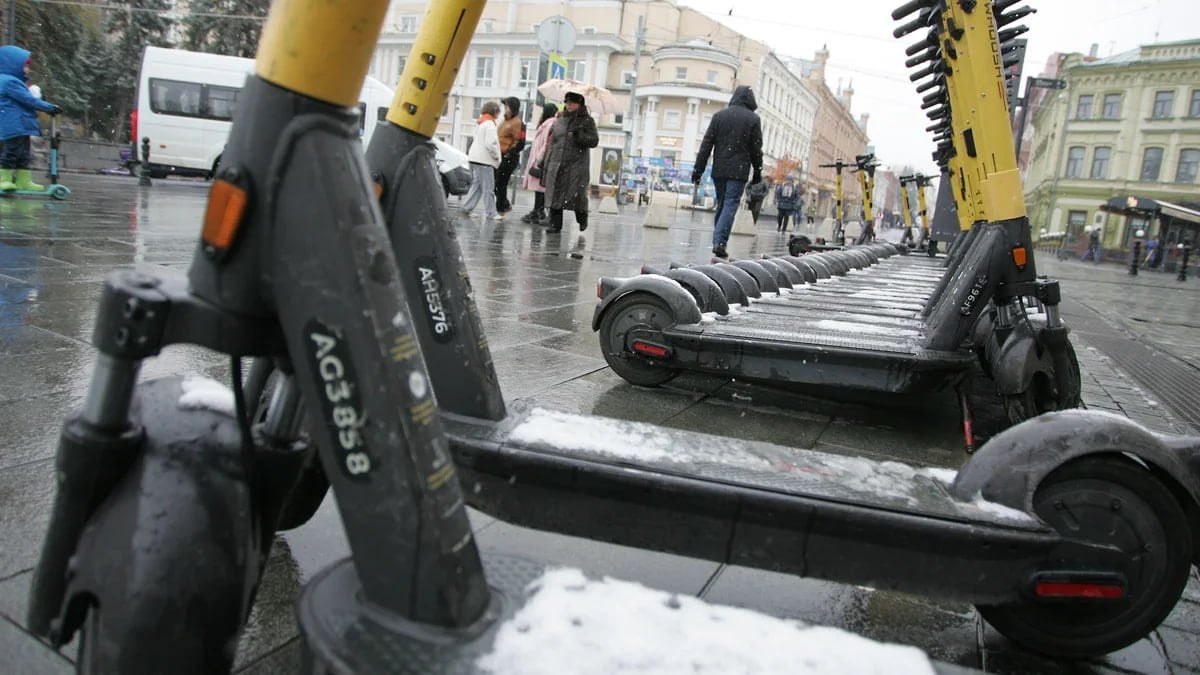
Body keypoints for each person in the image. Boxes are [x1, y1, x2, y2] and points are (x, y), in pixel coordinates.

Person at [691, 85, 763, 258]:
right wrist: (757, 171)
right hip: (738, 171)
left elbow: (706, 144)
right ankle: (720, 242)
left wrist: (698, 170)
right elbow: (756, 148)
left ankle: (718, 241)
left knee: (723, 204)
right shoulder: (753, 119)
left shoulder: (719, 116)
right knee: (730, 204)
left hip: (719, 169)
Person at [0, 45, 61, 192]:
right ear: (13, 64)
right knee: (12, 152)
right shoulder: (10, 82)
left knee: (23, 153)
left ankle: (23, 181)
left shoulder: (9, 80)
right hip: (14, 125)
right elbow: (28, 100)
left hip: (18, 125)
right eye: (25, 66)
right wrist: (49, 107)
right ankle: (5, 180)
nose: (28, 70)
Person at [543, 91, 598, 233]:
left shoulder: (587, 121)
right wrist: (547, 160)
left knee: (576, 194)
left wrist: (578, 135)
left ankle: (582, 217)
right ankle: (555, 224)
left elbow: (593, 141)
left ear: (580, 104)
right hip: (557, 162)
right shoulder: (560, 120)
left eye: (572, 102)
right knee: (556, 192)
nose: (569, 105)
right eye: (566, 102)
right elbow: (553, 142)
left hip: (576, 164)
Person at [460, 100, 502, 220]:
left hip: (474, 158)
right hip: (485, 160)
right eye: (498, 112)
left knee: (477, 186)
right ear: (494, 112)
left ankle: (467, 208)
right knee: (488, 187)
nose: (498, 115)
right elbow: (491, 143)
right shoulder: (490, 124)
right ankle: (491, 213)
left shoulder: (481, 123)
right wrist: (496, 156)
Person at [520, 102, 559, 226]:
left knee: (541, 187)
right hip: (540, 159)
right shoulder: (547, 124)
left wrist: (540, 158)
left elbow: (547, 144)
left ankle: (539, 212)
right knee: (539, 187)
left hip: (542, 160)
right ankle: (537, 210)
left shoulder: (551, 124)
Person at [493, 97, 525, 219]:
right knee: (498, 183)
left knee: (500, 183)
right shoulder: (505, 121)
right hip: (500, 156)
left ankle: (501, 208)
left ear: (513, 108)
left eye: (506, 107)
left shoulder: (517, 122)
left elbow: (519, 141)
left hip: (508, 157)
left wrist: (509, 154)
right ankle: (504, 206)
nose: (504, 109)